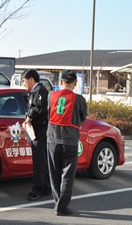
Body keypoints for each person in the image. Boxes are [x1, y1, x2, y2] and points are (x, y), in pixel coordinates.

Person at [46, 69, 87, 216]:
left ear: (60, 82)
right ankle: (62, 206)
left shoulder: (51, 96)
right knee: (68, 175)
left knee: (54, 173)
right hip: (70, 140)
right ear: (75, 83)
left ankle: (57, 202)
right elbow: (83, 117)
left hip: (52, 138)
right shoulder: (79, 99)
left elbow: (48, 113)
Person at [21, 69, 51, 201]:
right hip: (36, 130)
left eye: (24, 80)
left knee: (39, 161)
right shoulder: (35, 91)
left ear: (31, 79)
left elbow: (38, 108)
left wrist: (29, 118)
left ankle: (38, 190)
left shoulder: (40, 91)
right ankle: (45, 187)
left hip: (40, 130)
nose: (23, 83)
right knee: (41, 160)